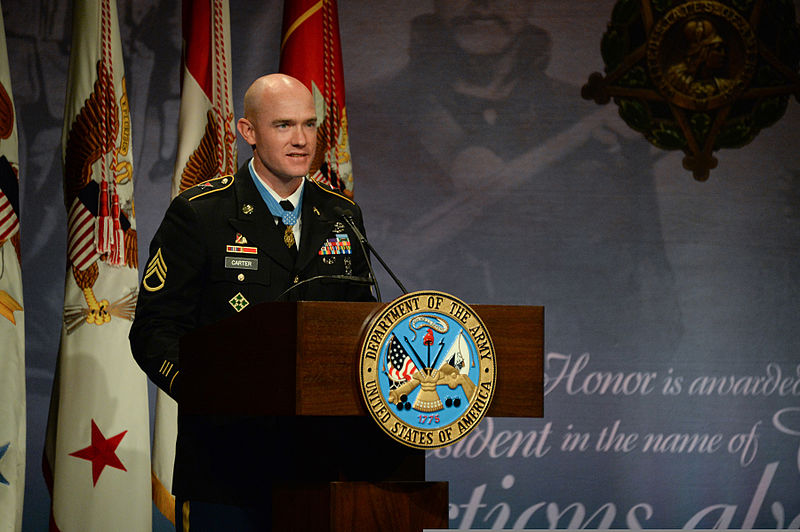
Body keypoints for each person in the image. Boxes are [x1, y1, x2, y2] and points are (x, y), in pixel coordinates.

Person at [130, 73, 376, 530]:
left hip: (321, 466)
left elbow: (362, 328)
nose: (302, 140)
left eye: (309, 124)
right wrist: (212, 391)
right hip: (227, 466)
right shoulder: (201, 213)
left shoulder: (343, 214)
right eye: (284, 125)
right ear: (249, 133)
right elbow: (153, 330)